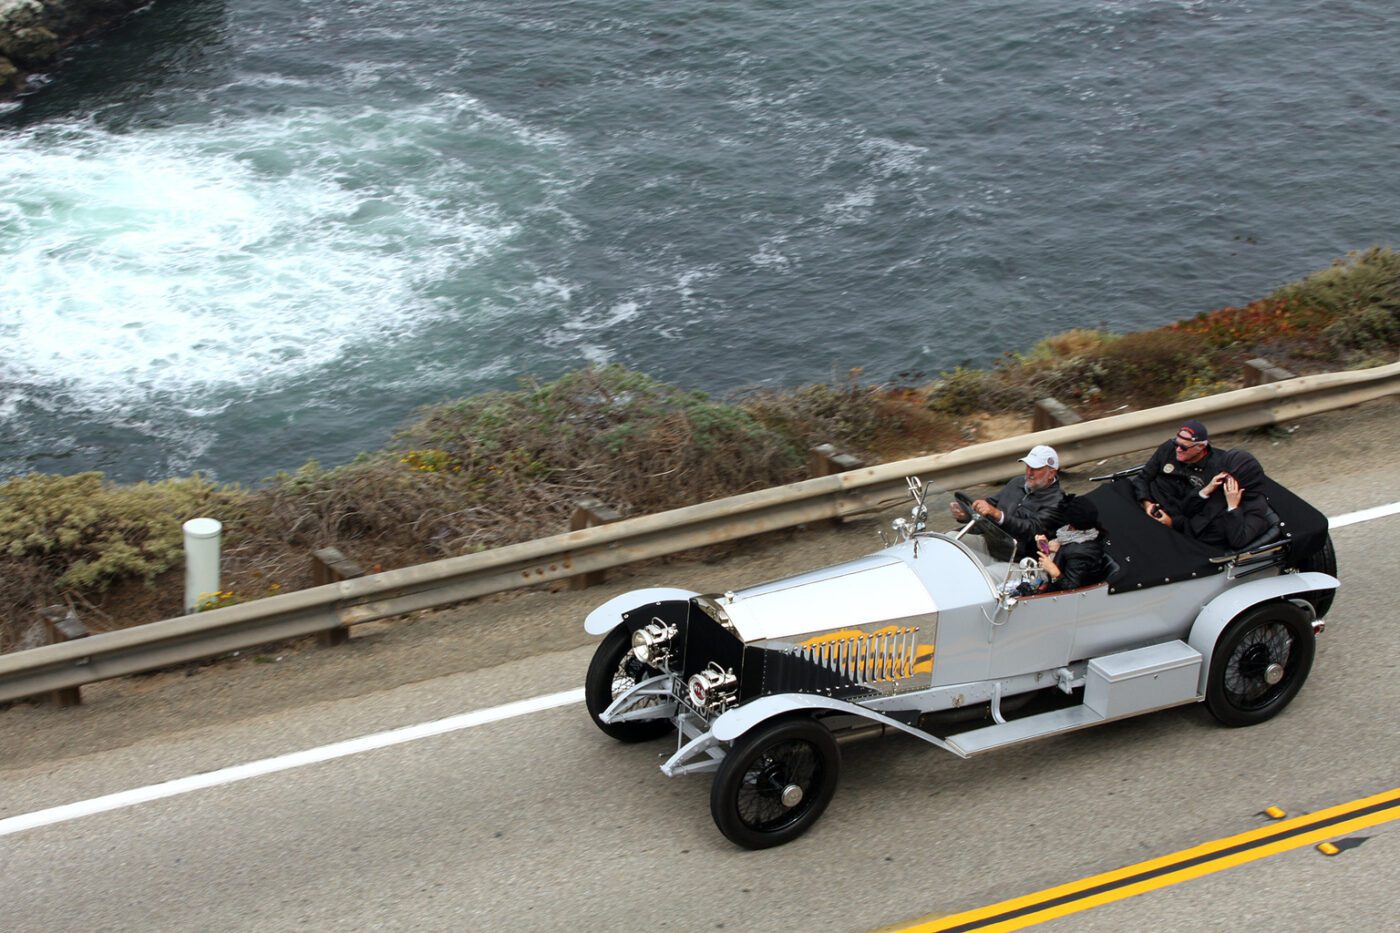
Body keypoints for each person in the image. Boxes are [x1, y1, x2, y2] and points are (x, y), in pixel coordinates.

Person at [1130, 419, 1272, 551]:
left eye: (1183, 447)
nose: (1177, 450)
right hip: (1160, 514)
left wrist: (1233, 507)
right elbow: (1189, 513)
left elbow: (1236, 539)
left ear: (1200, 447)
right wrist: (1205, 491)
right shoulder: (1219, 487)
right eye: (1176, 444)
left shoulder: (1253, 505)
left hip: (1194, 547)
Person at [949, 444, 1066, 558]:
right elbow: (990, 505)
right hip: (991, 543)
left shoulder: (1058, 501)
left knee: (978, 573)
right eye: (1028, 466)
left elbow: (1031, 529)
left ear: (1051, 473)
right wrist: (966, 514)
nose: (1029, 472)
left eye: (1035, 468)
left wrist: (998, 515)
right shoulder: (1017, 482)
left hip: (1017, 559)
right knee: (950, 540)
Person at [1032, 495, 1109, 592]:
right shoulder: (1075, 538)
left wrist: (1055, 573)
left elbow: (1072, 588)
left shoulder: (1079, 552)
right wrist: (1046, 549)